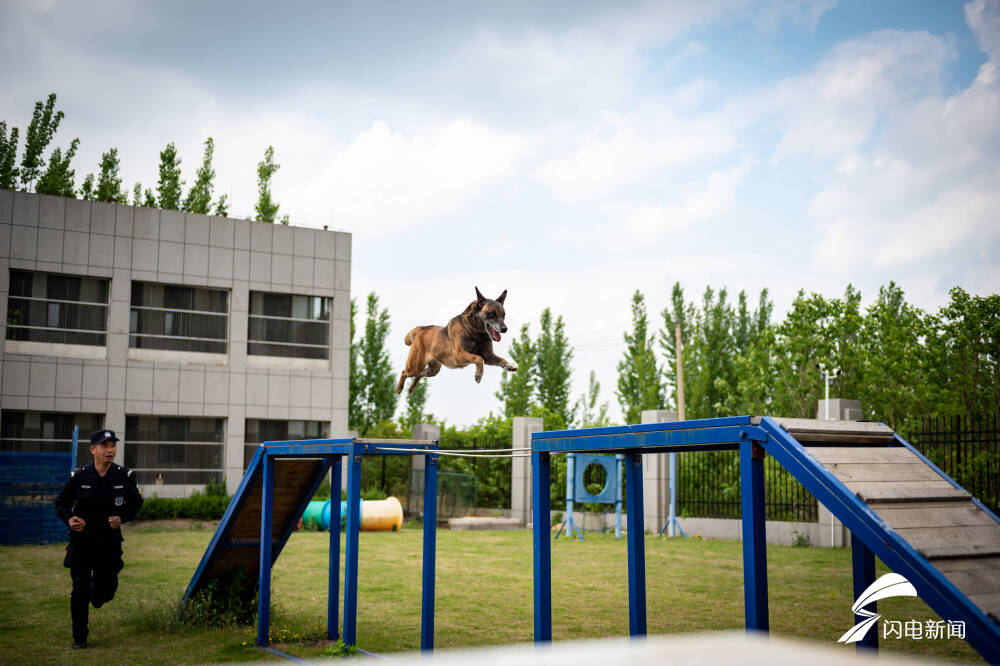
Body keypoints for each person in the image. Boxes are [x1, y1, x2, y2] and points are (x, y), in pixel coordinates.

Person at [54, 429, 143, 649]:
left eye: (113, 446)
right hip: (82, 543)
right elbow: (61, 504)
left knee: (107, 590)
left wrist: (121, 518)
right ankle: (80, 637)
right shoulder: (80, 477)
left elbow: (136, 504)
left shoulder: (124, 476)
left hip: (109, 544)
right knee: (79, 590)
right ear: (93, 449)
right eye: (105, 446)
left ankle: (98, 592)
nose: (110, 450)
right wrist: (70, 519)